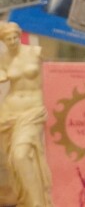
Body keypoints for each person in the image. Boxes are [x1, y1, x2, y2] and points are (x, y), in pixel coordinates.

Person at [0, 21, 53, 207]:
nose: (13, 41)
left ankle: (37, 203)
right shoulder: (4, 59)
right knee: (13, 160)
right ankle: (28, 201)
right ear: (3, 41)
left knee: (21, 155)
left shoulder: (35, 51)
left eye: (15, 37)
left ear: (19, 35)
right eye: (8, 39)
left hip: (33, 110)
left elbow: (54, 73)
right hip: (9, 112)